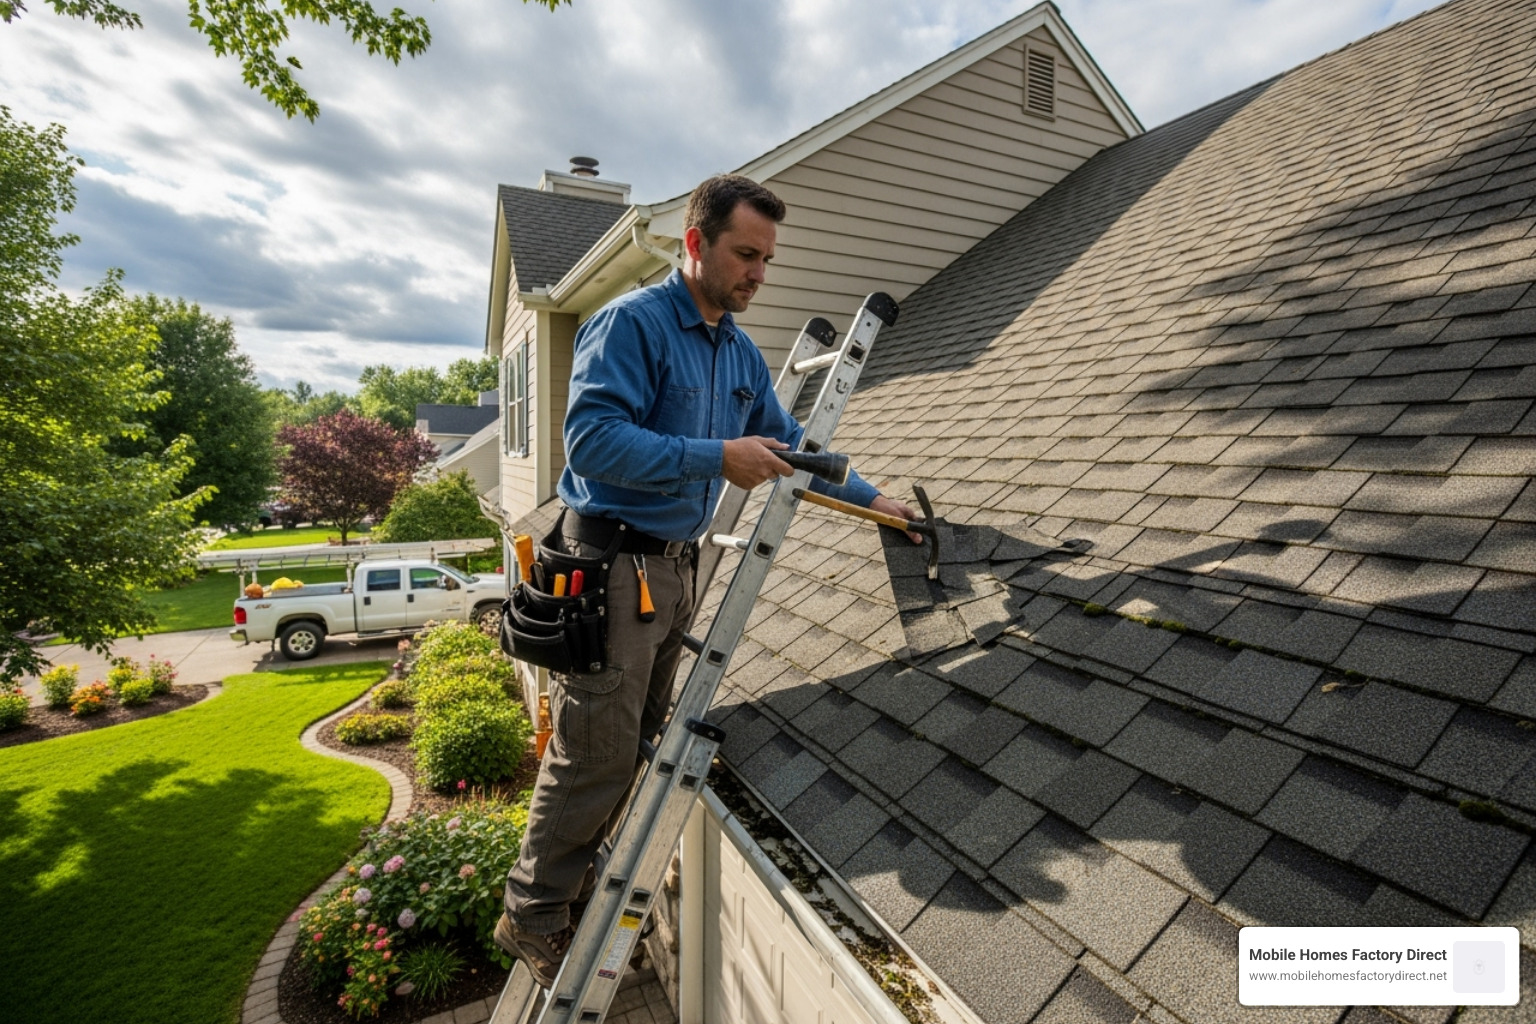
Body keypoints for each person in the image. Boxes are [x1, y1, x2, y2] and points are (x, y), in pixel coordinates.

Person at [496, 174, 919, 986]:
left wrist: (877, 501)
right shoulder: (633, 324)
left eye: (767, 259)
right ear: (696, 243)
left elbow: (794, 447)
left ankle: (570, 891)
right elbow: (592, 443)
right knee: (595, 754)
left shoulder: (737, 353)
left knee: (634, 746)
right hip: (612, 568)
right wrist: (716, 457)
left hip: (672, 571)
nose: (759, 273)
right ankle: (533, 913)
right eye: (745, 254)